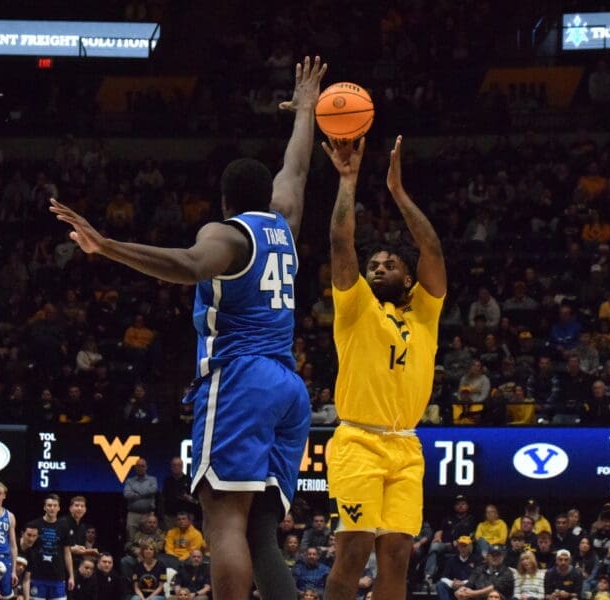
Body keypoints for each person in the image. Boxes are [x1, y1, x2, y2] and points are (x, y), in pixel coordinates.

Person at [50, 55, 326, 600]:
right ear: (265, 196)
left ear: (225, 201)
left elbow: (189, 265)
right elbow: (295, 170)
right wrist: (305, 113)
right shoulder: (285, 224)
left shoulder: (226, 235)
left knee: (222, 519)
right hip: (289, 386)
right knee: (260, 531)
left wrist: (106, 246)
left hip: (241, 380)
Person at [321, 132, 447, 600]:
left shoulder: (425, 312)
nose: (376, 267)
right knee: (353, 552)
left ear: (407, 278)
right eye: (373, 263)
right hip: (358, 441)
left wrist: (398, 193)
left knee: (396, 559)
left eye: (388, 263)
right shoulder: (356, 307)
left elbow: (432, 250)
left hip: (406, 446)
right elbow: (340, 241)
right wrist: (347, 180)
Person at [23, 494, 73, 600]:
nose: (52, 508)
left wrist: (71, 576)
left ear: (59, 508)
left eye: (55, 505)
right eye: (49, 505)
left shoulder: (64, 527)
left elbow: (67, 552)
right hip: (37, 576)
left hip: (58, 577)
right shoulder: (34, 525)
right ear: (44, 507)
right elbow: (24, 546)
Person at [122, 460, 157, 539]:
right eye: (138, 466)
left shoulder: (152, 480)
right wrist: (145, 493)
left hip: (148, 514)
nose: (140, 468)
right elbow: (127, 494)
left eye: (143, 466)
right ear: (135, 468)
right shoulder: (129, 481)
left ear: (146, 467)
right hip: (133, 514)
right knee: (131, 538)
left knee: (149, 538)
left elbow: (152, 490)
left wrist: (136, 492)